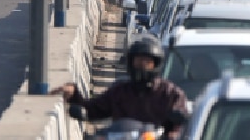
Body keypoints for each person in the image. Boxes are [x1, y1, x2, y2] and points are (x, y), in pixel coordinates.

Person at [60, 36, 189, 137]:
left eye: (147, 63)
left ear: (155, 65)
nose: (142, 66)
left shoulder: (170, 93)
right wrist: (73, 95)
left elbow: (181, 121)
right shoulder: (120, 91)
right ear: (131, 64)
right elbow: (93, 109)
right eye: (139, 62)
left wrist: (173, 131)